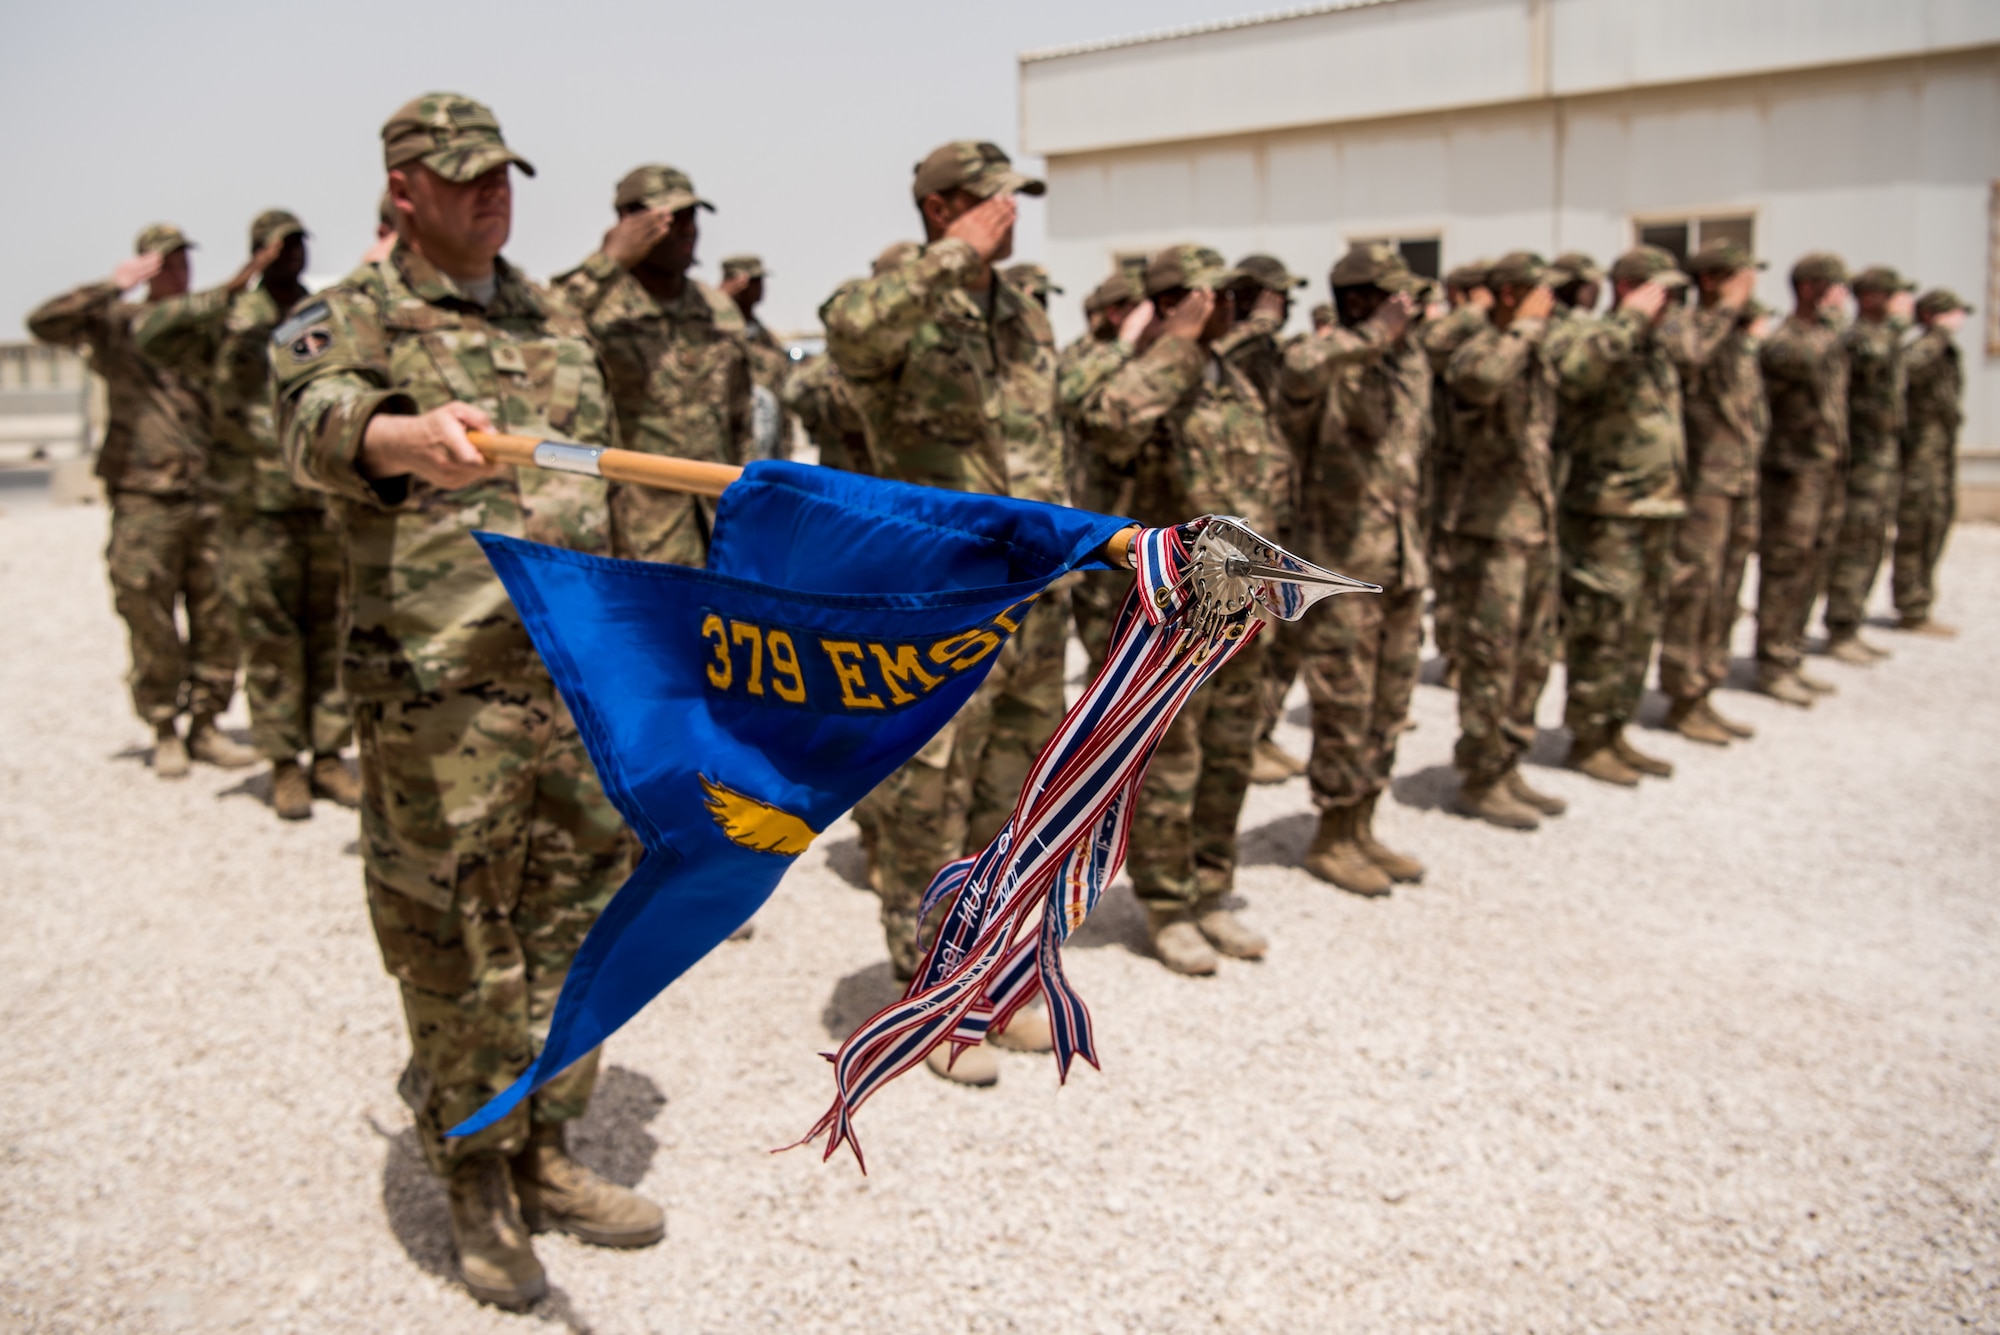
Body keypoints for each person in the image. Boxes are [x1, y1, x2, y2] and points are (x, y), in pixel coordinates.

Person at [274, 93, 661, 1310]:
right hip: (439, 702)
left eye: (503, 174)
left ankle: (548, 1146)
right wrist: (403, 434)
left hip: (574, 685)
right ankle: (475, 1173)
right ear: (403, 187)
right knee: (457, 949)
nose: (492, 194)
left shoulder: (551, 316)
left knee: (582, 927)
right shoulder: (347, 316)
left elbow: (601, 481)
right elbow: (313, 418)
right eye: (463, 176)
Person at [820, 140, 1061, 1084]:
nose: (1011, 215)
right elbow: (849, 335)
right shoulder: (895, 302)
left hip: (1034, 596)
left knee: (1014, 791)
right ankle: (926, 993)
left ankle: (992, 969)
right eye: (994, 201)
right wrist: (953, 254)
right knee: (930, 794)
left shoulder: (1023, 312)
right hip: (940, 599)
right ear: (942, 205)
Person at [1076, 245, 1280, 969]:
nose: (1235, 306)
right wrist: (1174, 344)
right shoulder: (1142, 373)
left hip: (1243, 604)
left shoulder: (1233, 378)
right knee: (1171, 759)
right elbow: (1109, 421)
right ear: (1181, 301)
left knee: (1229, 753)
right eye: (1219, 295)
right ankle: (1166, 906)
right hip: (1172, 610)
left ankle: (1210, 889)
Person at [135, 210, 359, 819]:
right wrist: (237, 283)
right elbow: (151, 335)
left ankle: (330, 755)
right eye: (281, 248)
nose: (294, 256)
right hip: (251, 503)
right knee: (268, 636)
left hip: (319, 500)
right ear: (259, 252)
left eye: (300, 245)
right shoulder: (228, 317)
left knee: (330, 632)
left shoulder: (322, 316)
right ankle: (284, 764)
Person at [28, 225, 255, 779]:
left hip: (210, 493)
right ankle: (162, 726)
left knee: (217, 614)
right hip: (144, 493)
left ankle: (206, 724)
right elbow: (44, 323)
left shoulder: (206, 329)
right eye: (166, 264)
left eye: (183, 263)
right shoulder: (117, 326)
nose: (178, 273)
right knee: (147, 611)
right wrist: (111, 285)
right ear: (147, 267)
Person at [1275, 243, 1429, 892]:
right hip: (1342, 565)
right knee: (1345, 703)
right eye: (1397, 297)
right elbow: (1300, 369)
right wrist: (1368, 335)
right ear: (1365, 299)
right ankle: (1331, 834)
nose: (1411, 309)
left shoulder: (1406, 364)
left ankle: (1363, 822)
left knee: (1389, 704)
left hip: (1401, 558)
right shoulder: (1323, 359)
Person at [555, 166, 753, 567]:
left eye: (691, 218)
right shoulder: (598, 304)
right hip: (636, 532)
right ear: (629, 222)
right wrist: (608, 261)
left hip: (721, 526)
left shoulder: (717, 311)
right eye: (670, 219)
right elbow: (542, 328)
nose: (686, 230)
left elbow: (740, 420)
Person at [1548, 245, 1686, 786]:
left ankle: (1615, 728)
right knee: (1603, 625)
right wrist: (1630, 318)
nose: (1669, 303)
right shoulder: (1595, 337)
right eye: (1661, 292)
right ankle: (1588, 735)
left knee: (1640, 625)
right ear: (1629, 289)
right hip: (1607, 506)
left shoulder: (1653, 347)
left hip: (1655, 504)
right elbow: (1577, 374)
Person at [1437, 252, 1566, 828]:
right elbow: (1479, 380)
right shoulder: (1482, 347)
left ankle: (1509, 759)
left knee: (1532, 653)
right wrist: (1520, 328)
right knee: (1492, 654)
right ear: (1512, 295)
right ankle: (1481, 773)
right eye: (1542, 293)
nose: (1553, 304)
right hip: (1489, 527)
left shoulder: (1533, 347)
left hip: (1533, 519)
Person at [1658, 238, 1765, 746]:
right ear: (1711, 281)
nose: (1751, 287)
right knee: (1694, 587)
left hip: (1737, 478)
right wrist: (1725, 308)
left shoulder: (1736, 333)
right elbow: (1688, 356)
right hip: (1702, 480)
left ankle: (1706, 685)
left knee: (1727, 587)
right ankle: (1682, 692)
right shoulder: (1685, 323)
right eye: (1741, 277)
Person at [1755, 252, 1851, 706]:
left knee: (1814, 562)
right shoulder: (1787, 342)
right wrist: (1832, 324)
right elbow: (1809, 361)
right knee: (1786, 565)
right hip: (1793, 471)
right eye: (1836, 288)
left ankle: (1791, 650)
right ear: (1811, 288)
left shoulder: (1823, 339)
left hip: (1824, 467)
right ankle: (1773, 661)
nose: (1843, 297)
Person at [1822, 265, 1915, 664]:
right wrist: (1897, 326)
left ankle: (1852, 620)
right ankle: (1841, 626)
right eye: (1895, 294)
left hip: (1881, 457)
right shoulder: (1860, 337)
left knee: (1874, 540)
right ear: (1874, 297)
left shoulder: (1882, 338)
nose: (1902, 302)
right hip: (1860, 459)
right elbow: (1868, 356)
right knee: (1856, 540)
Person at [1060, 271, 1145, 667]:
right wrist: (1125, 345)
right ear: (1115, 313)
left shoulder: (1152, 356)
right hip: (1099, 513)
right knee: (1106, 640)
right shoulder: (1086, 356)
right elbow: (1067, 393)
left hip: (1144, 512)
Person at [1418, 258, 1494, 692]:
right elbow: (1433, 340)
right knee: (1452, 571)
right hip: (1446, 473)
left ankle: (1465, 652)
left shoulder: (1485, 339)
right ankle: (1454, 651)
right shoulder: (1449, 332)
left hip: (1469, 473)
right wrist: (1473, 311)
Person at [1892, 288, 1972, 635]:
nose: (1960, 320)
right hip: (1919, 456)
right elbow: (1906, 368)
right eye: (1953, 313)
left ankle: (1921, 601)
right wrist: (1937, 332)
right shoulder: (1923, 348)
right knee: (1917, 528)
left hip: (1939, 455)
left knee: (1937, 525)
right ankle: (1911, 605)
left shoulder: (1946, 352)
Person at [720, 253, 792, 459]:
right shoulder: (715, 332)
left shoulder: (768, 340)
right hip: (728, 455)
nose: (760, 288)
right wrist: (721, 300)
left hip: (767, 453)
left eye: (761, 281)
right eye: (754, 282)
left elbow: (782, 403)